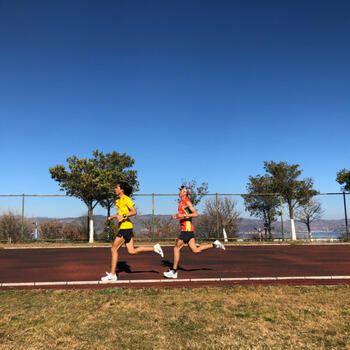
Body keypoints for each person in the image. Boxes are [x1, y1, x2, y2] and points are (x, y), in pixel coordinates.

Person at [101, 182, 164, 281]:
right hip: (126, 227)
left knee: (113, 249)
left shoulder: (126, 199)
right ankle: (154, 248)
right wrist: (113, 216)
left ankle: (113, 274)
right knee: (131, 251)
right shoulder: (119, 200)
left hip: (125, 228)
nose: (115, 189)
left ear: (121, 190)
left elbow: (134, 212)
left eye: (116, 187)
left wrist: (124, 216)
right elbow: (121, 214)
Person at [163, 185, 225, 279]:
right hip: (188, 229)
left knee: (176, 248)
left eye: (181, 190)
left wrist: (182, 215)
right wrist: (177, 216)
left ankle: (174, 271)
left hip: (187, 229)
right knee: (195, 250)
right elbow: (183, 214)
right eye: (180, 190)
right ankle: (214, 244)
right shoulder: (181, 202)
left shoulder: (187, 201)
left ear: (185, 192)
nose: (179, 192)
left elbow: (195, 214)